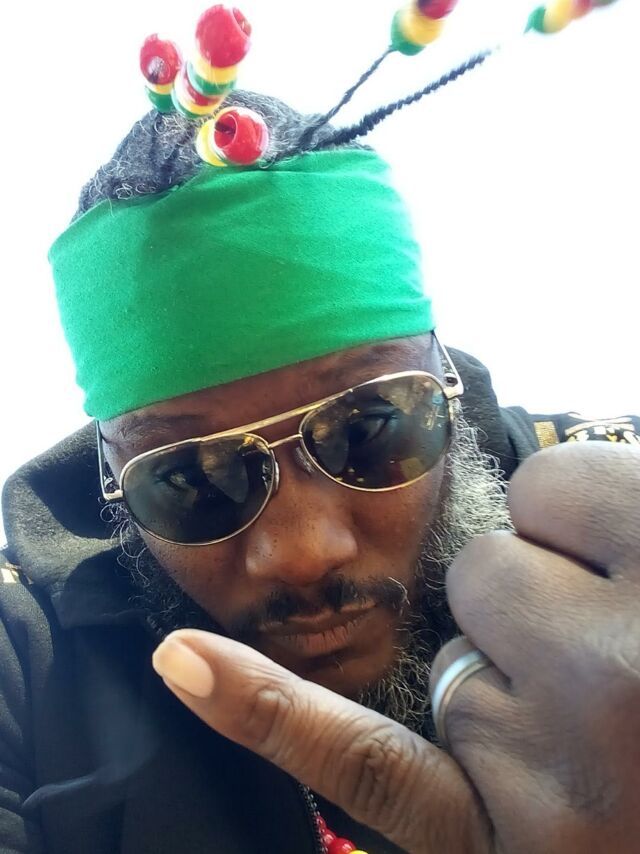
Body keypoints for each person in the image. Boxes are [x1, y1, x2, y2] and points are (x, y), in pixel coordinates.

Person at [1, 44, 639, 854]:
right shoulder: (25, 661)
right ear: (112, 481)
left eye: (369, 428)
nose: (302, 552)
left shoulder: (620, 522)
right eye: (191, 480)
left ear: (445, 381)